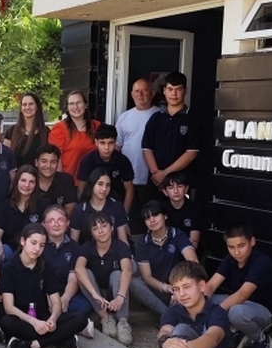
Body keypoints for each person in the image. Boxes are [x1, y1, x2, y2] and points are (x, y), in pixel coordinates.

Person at [1, 224, 89, 348]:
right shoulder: (9, 267)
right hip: (22, 318)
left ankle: (33, 344)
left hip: (43, 316)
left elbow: (56, 301)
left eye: (41, 245)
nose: (37, 249)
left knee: (81, 319)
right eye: (33, 243)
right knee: (6, 322)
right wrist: (33, 322)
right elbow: (9, 307)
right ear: (23, 241)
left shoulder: (46, 266)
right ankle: (60, 339)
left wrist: (52, 319)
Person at [204, 222, 272, 348]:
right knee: (206, 301)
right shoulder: (230, 259)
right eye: (231, 247)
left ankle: (261, 339)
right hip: (243, 306)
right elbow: (211, 285)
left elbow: (241, 295)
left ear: (252, 242)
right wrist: (199, 304)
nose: (237, 252)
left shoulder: (261, 262)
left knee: (235, 312)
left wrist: (216, 313)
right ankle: (241, 332)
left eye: (241, 245)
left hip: (265, 313)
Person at [74, 212, 134, 345]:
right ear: (91, 233)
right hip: (97, 293)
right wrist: (95, 295)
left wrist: (120, 296)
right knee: (84, 272)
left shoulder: (120, 246)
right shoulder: (87, 247)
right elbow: (78, 268)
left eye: (104, 226)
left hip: (115, 290)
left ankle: (123, 322)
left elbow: (127, 270)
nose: (100, 231)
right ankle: (105, 318)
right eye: (95, 228)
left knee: (117, 274)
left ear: (112, 228)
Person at [132, 201, 199, 317]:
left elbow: (193, 261)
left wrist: (179, 288)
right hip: (158, 289)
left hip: (181, 286)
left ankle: (173, 313)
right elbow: (147, 277)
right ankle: (167, 314)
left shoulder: (177, 235)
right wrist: (166, 287)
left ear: (165, 216)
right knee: (133, 282)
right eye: (147, 218)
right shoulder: (143, 243)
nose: (152, 220)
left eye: (155, 215)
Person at [142, 72, 200, 202]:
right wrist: (156, 173)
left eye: (178, 89)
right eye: (170, 89)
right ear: (164, 91)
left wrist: (165, 173)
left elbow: (191, 153)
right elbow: (146, 148)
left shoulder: (192, 119)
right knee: (154, 218)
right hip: (156, 183)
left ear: (185, 91)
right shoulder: (156, 118)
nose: (174, 94)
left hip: (180, 184)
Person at [116, 78, 160, 235]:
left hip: (153, 179)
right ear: (132, 94)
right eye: (137, 91)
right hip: (128, 180)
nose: (140, 94)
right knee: (131, 222)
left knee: (152, 220)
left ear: (152, 93)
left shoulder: (160, 115)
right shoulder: (124, 117)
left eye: (145, 90)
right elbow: (117, 146)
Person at [41, 206, 94, 333]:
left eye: (60, 220)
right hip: (43, 293)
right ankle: (72, 325)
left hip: (64, 292)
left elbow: (73, 279)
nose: (56, 224)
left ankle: (56, 322)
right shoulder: (39, 244)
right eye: (51, 221)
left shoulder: (75, 247)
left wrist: (65, 298)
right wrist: (52, 299)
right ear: (43, 224)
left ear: (67, 223)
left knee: (83, 306)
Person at [0, 165, 50, 263]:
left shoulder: (43, 203)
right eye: (23, 180)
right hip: (11, 250)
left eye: (31, 182)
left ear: (36, 184)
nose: (27, 185)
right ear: (16, 181)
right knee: (1, 251)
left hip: (35, 249)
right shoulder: (6, 204)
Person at [76, 124, 134, 211]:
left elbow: (129, 191)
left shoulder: (123, 161)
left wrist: (124, 214)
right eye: (102, 143)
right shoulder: (87, 161)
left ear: (115, 142)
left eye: (110, 143)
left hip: (117, 206)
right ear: (96, 142)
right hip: (93, 206)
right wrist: (86, 211)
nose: (106, 147)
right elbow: (81, 189)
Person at [48, 89, 101, 183]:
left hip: (95, 182)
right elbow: (56, 159)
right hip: (70, 182)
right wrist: (61, 183)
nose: (75, 107)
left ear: (85, 104)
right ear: (67, 107)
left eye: (78, 102)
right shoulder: (59, 129)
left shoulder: (96, 126)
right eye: (71, 104)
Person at [69, 168, 129, 244]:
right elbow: (74, 242)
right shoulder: (80, 210)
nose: (104, 189)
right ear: (92, 184)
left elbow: (123, 239)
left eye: (108, 185)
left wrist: (126, 254)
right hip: (85, 254)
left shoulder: (116, 206)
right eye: (100, 184)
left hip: (114, 253)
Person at [3, 92, 48, 167]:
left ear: (37, 107)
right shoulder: (11, 132)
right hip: (16, 177)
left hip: (39, 177)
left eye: (31, 104)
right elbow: (5, 159)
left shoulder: (46, 132)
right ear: (21, 108)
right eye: (24, 104)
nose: (27, 107)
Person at [34, 144, 77, 215]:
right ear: (36, 162)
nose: (48, 166)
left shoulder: (66, 180)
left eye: (53, 162)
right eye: (44, 161)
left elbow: (70, 209)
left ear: (58, 163)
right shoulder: (29, 181)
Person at [162, 172, 201, 248]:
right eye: (171, 188)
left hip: (187, 249)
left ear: (186, 189)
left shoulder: (194, 208)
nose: (176, 191)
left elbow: (194, 241)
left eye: (180, 186)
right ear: (165, 191)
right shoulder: (161, 209)